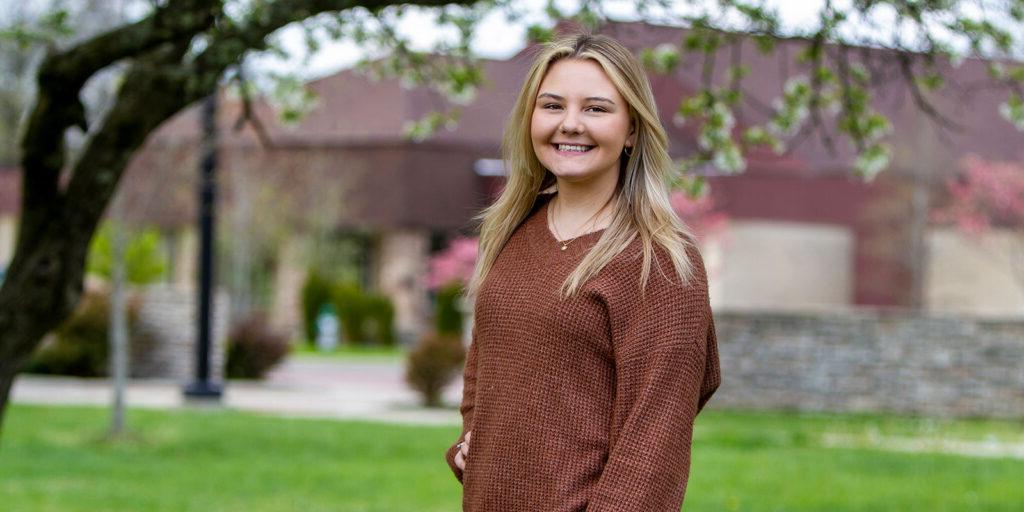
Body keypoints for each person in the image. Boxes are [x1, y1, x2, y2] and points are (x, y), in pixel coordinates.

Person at [443, 31, 722, 512]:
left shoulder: (657, 259)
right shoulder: (513, 231)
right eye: (552, 106)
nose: (570, 124)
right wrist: (472, 440)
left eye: (596, 109)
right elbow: (485, 369)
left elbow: (656, 436)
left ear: (632, 129)